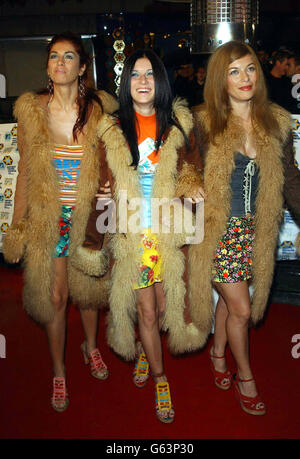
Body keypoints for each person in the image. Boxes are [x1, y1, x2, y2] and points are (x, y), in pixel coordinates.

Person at [73, 49, 204, 423]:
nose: (143, 81)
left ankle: (148, 355)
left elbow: (192, 170)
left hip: (169, 234)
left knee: (165, 308)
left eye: (149, 75)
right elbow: (101, 187)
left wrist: (192, 186)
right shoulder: (112, 130)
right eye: (135, 75)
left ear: (159, 81)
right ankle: (161, 380)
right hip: (133, 235)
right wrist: (94, 239)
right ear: (126, 82)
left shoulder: (179, 125)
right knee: (146, 311)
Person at [2, 32, 118, 412]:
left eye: (69, 57)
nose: (61, 63)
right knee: (56, 296)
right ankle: (59, 371)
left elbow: (115, 159)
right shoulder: (32, 109)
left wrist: (109, 186)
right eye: (54, 56)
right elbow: (24, 173)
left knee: (88, 294)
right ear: (48, 66)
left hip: (88, 215)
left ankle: (91, 346)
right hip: (51, 217)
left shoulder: (98, 109)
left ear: (82, 67)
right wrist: (17, 226)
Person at [191, 40, 300, 416]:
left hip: (256, 232)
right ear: (221, 80)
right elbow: (179, 167)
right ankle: (246, 378)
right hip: (217, 231)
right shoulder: (202, 122)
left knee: (230, 303)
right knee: (241, 308)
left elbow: (290, 178)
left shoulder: (276, 121)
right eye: (234, 71)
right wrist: (189, 183)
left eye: (250, 68)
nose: (245, 77)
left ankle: (218, 353)